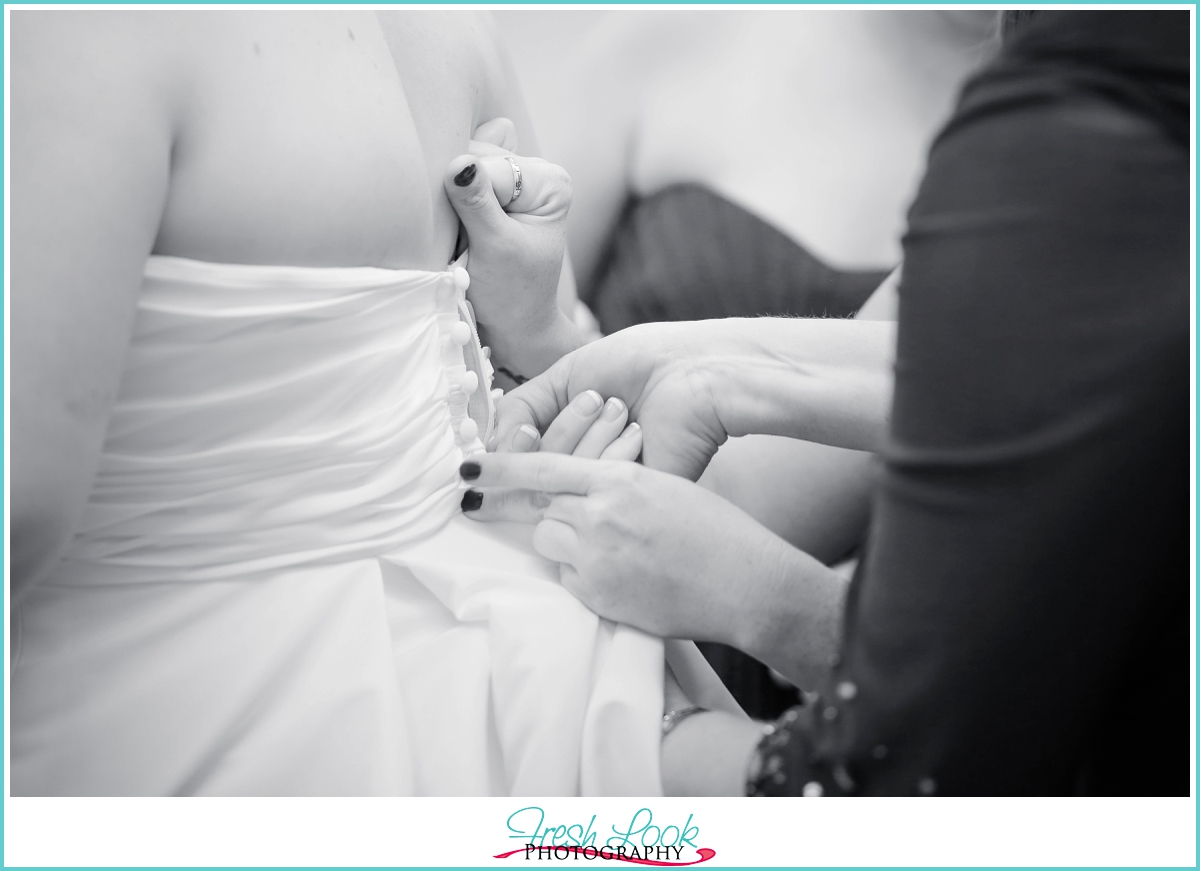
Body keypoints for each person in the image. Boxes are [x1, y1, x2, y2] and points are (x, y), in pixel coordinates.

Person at [466, 9, 1190, 795]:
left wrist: (655, 720)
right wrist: (568, 343)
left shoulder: (1071, 124)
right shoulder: (1066, 122)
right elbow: (954, 383)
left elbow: (939, 751)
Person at [10, 10, 731, 796]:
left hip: (187, 717)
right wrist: (539, 339)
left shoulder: (79, 30)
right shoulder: (454, 28)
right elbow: (559, 345)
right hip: (530, 672)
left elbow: (22, 505)